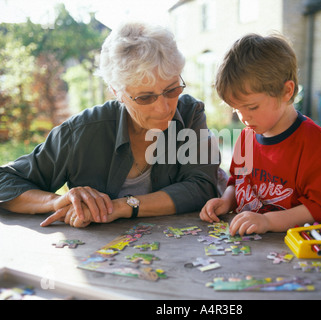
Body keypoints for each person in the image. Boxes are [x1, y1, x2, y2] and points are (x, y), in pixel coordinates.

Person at [0, 21, 220, 228]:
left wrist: (121, 207)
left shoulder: (190, 113)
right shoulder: (82, 131)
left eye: (172, 90)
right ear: (118, 93)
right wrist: (57, 202)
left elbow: (202, 186)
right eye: (145, 97)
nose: (164, 108)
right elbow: (5, 181)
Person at [200, 33, 321, 236]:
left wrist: (267, 221)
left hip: (294, 252)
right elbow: (237, 181)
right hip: (248, 245)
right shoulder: (247, 137)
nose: (243, 118)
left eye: (252, 107)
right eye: (236, 109)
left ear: (287, 91)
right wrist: (226, 200)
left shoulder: (315, 143)